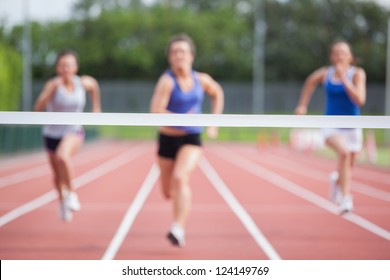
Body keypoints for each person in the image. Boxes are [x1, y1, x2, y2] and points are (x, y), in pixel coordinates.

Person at [150, 33, 224, 247]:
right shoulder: (166, 82)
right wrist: (181, 118)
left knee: (181, 178)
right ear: (169, 58)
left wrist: (214, 122)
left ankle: (178, 228)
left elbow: (217, 93)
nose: (178, 55)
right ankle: (179, 210)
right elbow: (155, 112)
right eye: (174, 52)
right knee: (167, 192)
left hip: (191, 137)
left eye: (183, 51)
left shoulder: (201, 79)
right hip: (167, 138)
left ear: (191, 56)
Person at [295, 40, 366, 214]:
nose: (339, 56)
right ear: (332, 56)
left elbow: (360, 100)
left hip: (353, 126)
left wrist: (344, 80)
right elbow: (310, 82)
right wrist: (303, 104)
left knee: (348, 167)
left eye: (343, 52)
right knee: (344, 153)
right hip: (331, 125)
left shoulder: (357, 74)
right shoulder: (326, 73)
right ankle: (346, 199)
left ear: (350, 57)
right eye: (336, 52)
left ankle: (337, 181)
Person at [34, 49, 101, 222]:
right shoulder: (53, 84)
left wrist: (96, 108)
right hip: (51, 133)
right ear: (57, 68)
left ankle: (71, 193)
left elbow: (94, 86)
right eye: (62, 65)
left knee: (63, 157)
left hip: (73, 130)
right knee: (57, 175)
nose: (66, 69)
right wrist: (50, 92)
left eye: (69, 65)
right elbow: (38, 107)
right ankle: (62, 201)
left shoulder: (83, 82)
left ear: (76, 67)